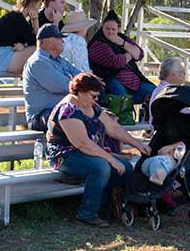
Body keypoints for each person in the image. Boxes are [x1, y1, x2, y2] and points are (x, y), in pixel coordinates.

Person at [46, 72, 151, 227]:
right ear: (80, 92)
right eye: (92, 96)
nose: (96, 100)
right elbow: (83, 143)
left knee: (127, 168)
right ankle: (87, 213)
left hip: (88, 153)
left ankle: (107, 210)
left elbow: (114, 128)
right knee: (101, 168)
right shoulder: (67, 110)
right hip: (65, 156)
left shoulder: (92, 106)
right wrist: (112, 160)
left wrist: (138, 144)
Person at [88, 10, 156, 104]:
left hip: (133, 79)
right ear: (102, 27)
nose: (110, 32)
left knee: (155, 92)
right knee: (122, 98)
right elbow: (116, 62)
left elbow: (140, 54)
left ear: (118, 29)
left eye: (113, 29)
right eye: (107, 28)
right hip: (110, 78)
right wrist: (131, 53)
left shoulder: (121, 38)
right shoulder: (97, 43)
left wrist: (121, 42)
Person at [23, 24, 82, 131]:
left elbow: (80, 76)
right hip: (41, 115)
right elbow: (62, 86)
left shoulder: (59, 59)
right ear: (49, 41)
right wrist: (84, 85)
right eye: (59, 38)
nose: (63, 41)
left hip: (61, 109)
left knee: (102, 115)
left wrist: (90, 83)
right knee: (76, 118)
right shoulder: (37, 62)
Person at [0, 0, 42, 74]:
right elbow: (38, 42)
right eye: (38, 5)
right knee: (39, 50)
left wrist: (23, 46)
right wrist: (35, 21)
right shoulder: (18, 19)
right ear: (32, 4)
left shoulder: (17, 17)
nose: (39, 8)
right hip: (0, 58)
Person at [147, 57, 187, 125]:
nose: (185, 74)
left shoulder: (163, 89)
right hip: (170, 132)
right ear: (171, 75)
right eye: (181, 72)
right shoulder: (168, 93)